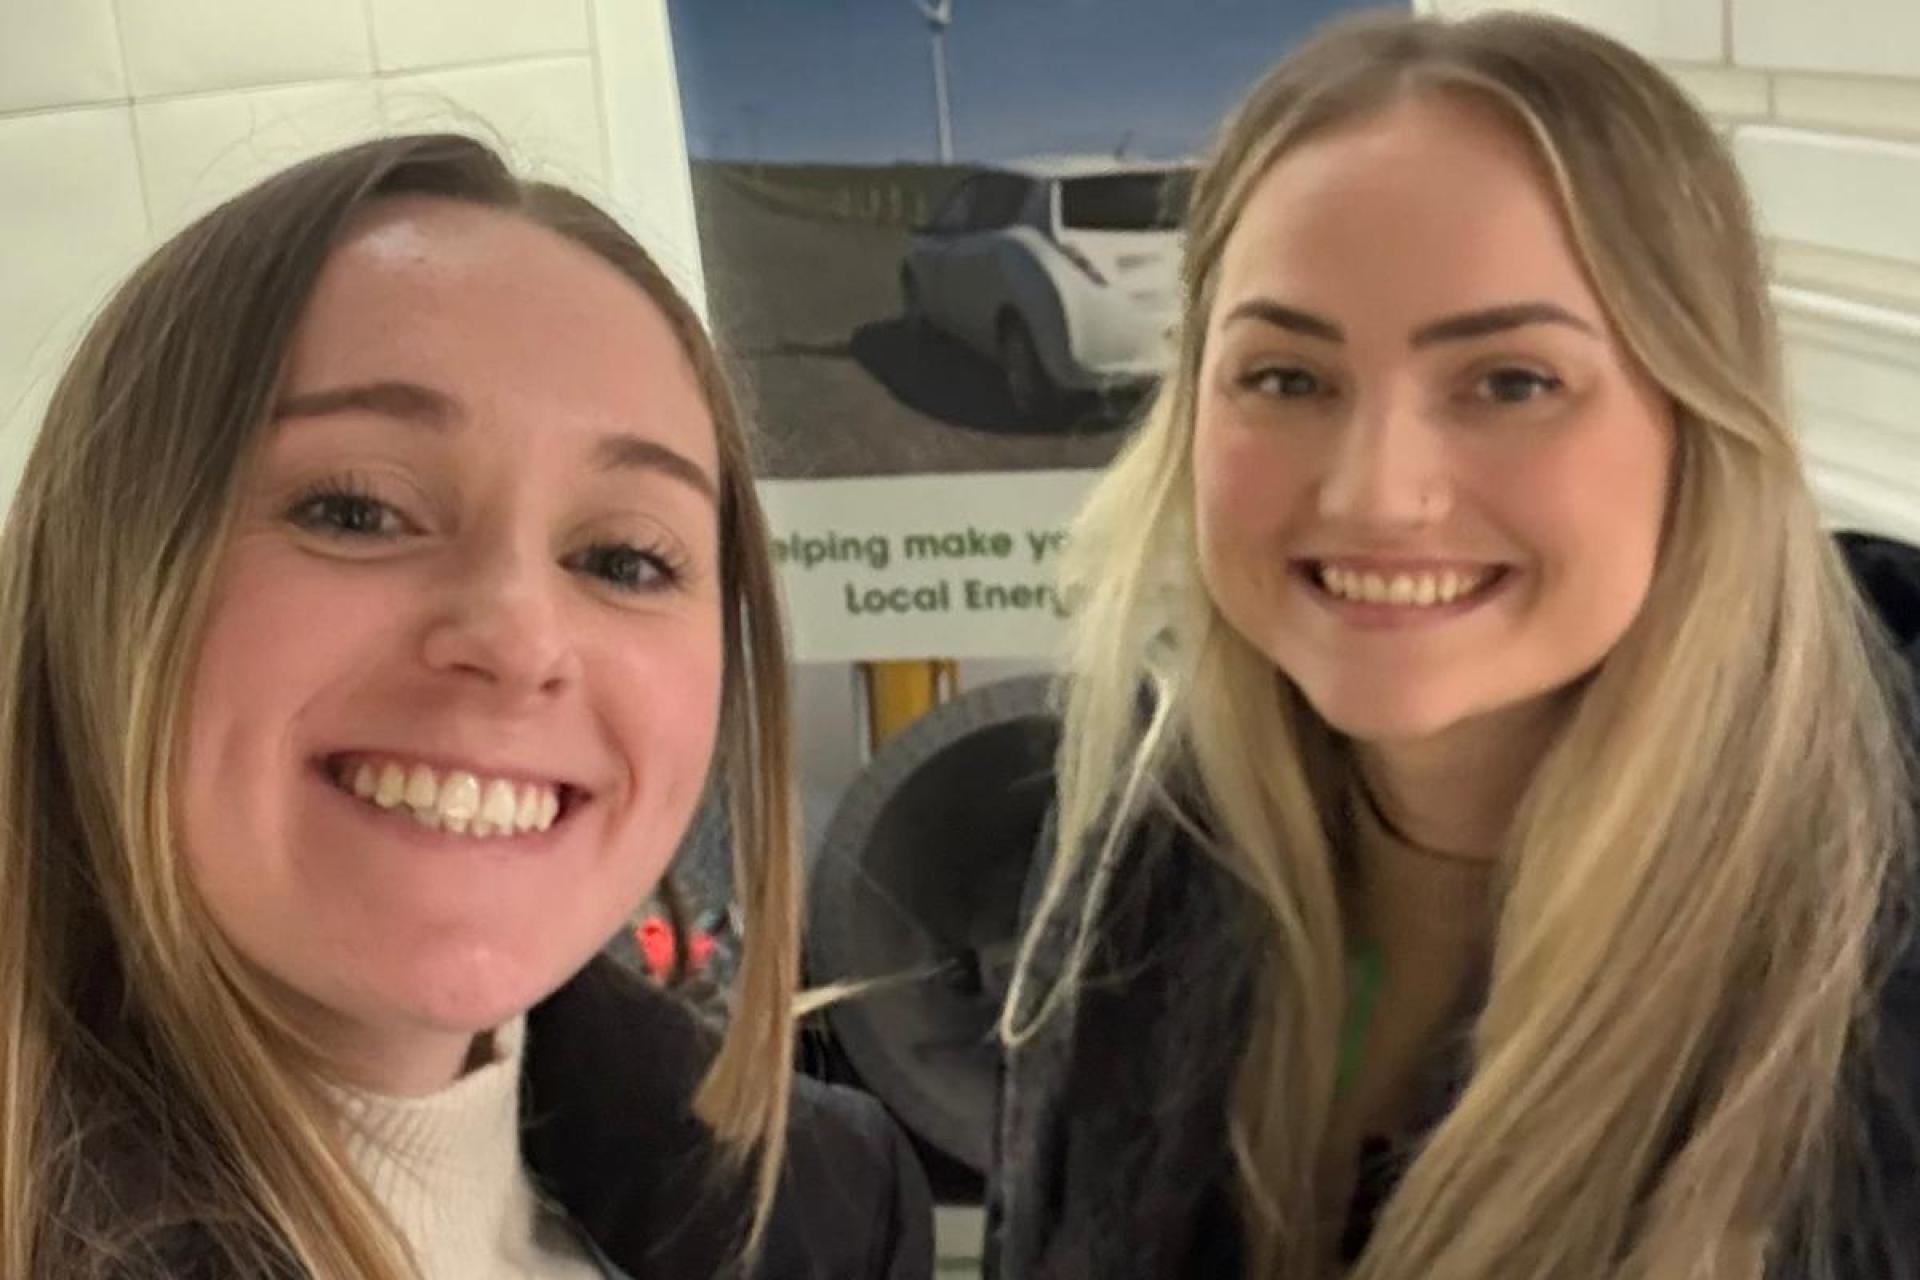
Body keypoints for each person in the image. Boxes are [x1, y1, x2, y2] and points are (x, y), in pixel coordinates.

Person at [987, 12, 1920, 1280]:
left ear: (1700, 421)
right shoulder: (1144, 834)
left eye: (1512, 381)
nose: (1378, 493)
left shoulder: (1877, 961)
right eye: (1286, 378)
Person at [0, 133, 931, 1280]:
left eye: (625, 559)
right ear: (100, 579)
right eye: (355, 509)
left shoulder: (829, 1211)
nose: (519, 639)